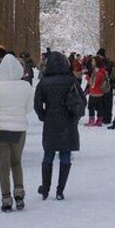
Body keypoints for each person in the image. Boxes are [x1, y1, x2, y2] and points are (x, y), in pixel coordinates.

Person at [0, 53, 34, 212]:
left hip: (2, 129)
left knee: (4, 166)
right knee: (17, 162)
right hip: (20, 129)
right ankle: (19, 193)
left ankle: (6, 199)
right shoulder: (26, 86)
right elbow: (29, 109)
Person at [33, 51, 83, 201]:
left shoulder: (44, 82)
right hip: (68, 122)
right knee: (65, 156)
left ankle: (45, 188)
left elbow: (37, 104)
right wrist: (75, 115)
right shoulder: (70, 80)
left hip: (50, 122)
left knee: (48, 155)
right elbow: (81, 99)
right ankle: (60, 190)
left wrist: (43, 115)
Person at [84, 56, 107, 126]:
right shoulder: (103, 70)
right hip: (100, 92)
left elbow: (94, 82)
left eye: (93, 61)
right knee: (99, 107)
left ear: (97, 62)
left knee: (91, 106)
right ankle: (99, 120)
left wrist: (87, 78)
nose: (92, 62)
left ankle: (91, 120)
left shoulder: (98, 71)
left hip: (94, 92)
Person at [97, 48, 115, 125]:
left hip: (105, 84)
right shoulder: (110, 63)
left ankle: (106, 117)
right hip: (107, 84)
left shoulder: (103, 63)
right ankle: (106, 117)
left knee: (104, 101)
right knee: (106, 101)